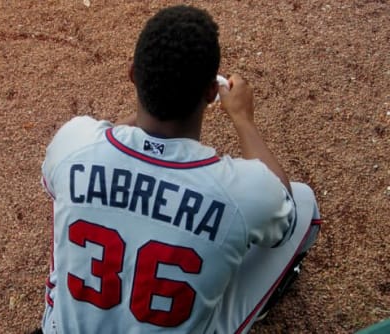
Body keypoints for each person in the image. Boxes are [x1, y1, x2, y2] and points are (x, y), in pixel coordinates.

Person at [36, 5, 321, 334]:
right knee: (302, 201)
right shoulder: (242, 192)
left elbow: (68, 175)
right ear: (212, 93)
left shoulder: (76, 141)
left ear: (133, 75)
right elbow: (284, 207)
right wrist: (243, 119)